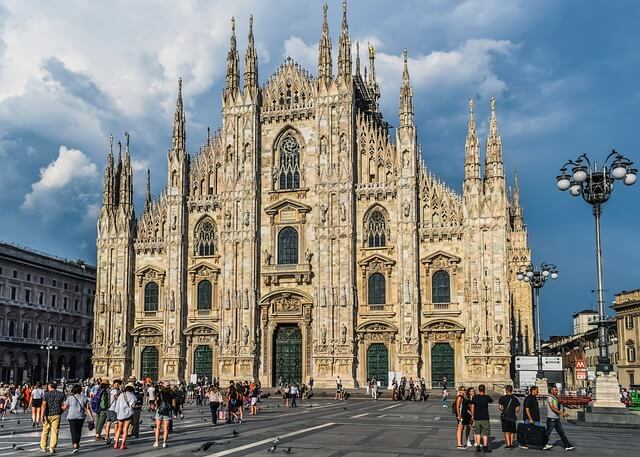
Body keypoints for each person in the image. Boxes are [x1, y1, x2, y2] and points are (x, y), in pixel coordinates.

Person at [543, 385, 575, 451]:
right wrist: (561, 413)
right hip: (551, 418)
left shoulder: (555, 397)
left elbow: (556, 407)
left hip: (556, 418)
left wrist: (560, 414)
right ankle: (542, 444)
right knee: (548, 432)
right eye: (554, 390)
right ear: (551, 391)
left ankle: (567, 446)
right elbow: (552, 408)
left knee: (561, 432)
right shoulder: (550, 397)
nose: (556, 391)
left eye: (556, 390)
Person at [64, 384, 94, 454]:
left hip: (71, 416)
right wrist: (91, 417)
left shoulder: (70, 398)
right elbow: (88, 408)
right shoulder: (84, 398)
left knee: (73, 431)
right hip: (80, 416)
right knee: (79, 431)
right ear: (80, 390)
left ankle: (75, 444)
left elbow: (64, 407)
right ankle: (77, 442)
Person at [40, 381, 67, 454]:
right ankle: (52, 447)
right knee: (55, 431)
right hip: (56, 414)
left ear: (49, 386)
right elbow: (65, 405)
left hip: (47, 415)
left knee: (45, 430)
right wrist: (61, 411)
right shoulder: (61, 394)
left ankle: (43, 447)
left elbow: (44, 405)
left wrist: (42, 415)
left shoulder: (47, 394)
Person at [113, 383, 138, 450]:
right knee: (125, 429)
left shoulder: (121, 395)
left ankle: (116, 444)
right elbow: (133, 405)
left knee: (119, 428)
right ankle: (122, 445)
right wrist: (137, 406)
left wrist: (117, 412)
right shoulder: (133, 396)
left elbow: (117, 404)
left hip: (120, 414)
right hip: (128, 414)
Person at [470, 384, 493, 453]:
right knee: (485, 433)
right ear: (484, 390)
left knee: (477, 433)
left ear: (478, 389)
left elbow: (472, 407)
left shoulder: (475, 397)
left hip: (477, 417)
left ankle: (478, 447)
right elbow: (491, 400)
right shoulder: (487, 397)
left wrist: (472, 416)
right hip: (485, 417)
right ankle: (485, 447)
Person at [154, 381, 175, 448]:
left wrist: (156, 407)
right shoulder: (171, 393)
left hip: (160, 410)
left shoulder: (159, 393)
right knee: (166, 428)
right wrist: (172, 409)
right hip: (167, 411)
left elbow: (157, 401)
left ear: (163, 386)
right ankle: (164, 443)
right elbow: (174, 404)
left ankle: (157, 442)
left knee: (158, 427)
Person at [519, 385, 540, 450]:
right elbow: (527, 409)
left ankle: (537, 444)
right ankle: (523, 444)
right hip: (530, 419)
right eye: (537, 390)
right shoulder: (529, 398)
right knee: (527, 432)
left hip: (535, 418)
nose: (538, 392)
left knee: (536, 432)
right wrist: (530, 419)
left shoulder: (534, 398)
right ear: (533, 390)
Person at [104, 379, 121, 445]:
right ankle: (115, 437)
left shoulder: (110, 390)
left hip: (108, 408)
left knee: (108, 423)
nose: (118, 385)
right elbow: (116, 397)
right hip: (113, 409)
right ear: (114, 384)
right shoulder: (114, 390)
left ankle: (107, 436)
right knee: (116, 423)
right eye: (117, 384)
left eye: (118, 384)